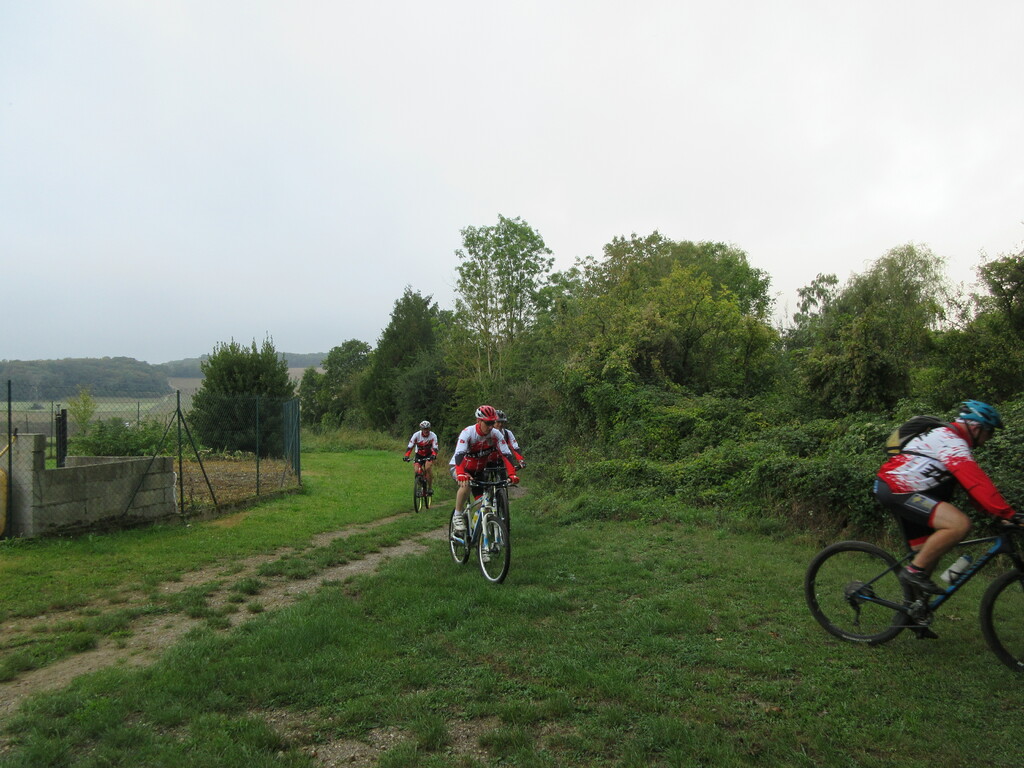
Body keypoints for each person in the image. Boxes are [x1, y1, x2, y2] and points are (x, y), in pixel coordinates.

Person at [874, 400, 1023, 597]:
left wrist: (997, 514)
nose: (989, 438)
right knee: (959, 525)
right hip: (899, 489)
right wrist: (1008, 513)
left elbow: (969, 487)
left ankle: (914, 609)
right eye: (990, 432)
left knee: (926, 553)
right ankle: (913, 572)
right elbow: (977, 482)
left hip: (905, 490)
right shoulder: (951, 441)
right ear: (976, 427)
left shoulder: (951, 440)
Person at [449, 405, 519, 533]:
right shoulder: (468, 433)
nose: (491, 426)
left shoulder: (496, 434)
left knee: (485, 507)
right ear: (478, 421)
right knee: (466, 485)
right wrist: (460, 473)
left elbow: (506, 454)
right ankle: (457, 515)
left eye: (493, 422)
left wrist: (512, 474)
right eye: (488, 423)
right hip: (461, 467)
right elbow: (459, 454)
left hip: (479, 471)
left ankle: (476, 531)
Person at [403, 421, 438, 494]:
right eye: (424, 429)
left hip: (429, 454)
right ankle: (419, 486)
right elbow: (410, 447)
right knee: (416, 471)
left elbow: (435, 448)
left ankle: (430, 488)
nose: (426, 430)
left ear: (429, 429)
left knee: (427, 468)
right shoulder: (416, 435)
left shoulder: (433, 436)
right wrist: (406, 456)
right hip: (419, 454)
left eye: (427, 429)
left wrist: (434, 455)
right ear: (421, 429)